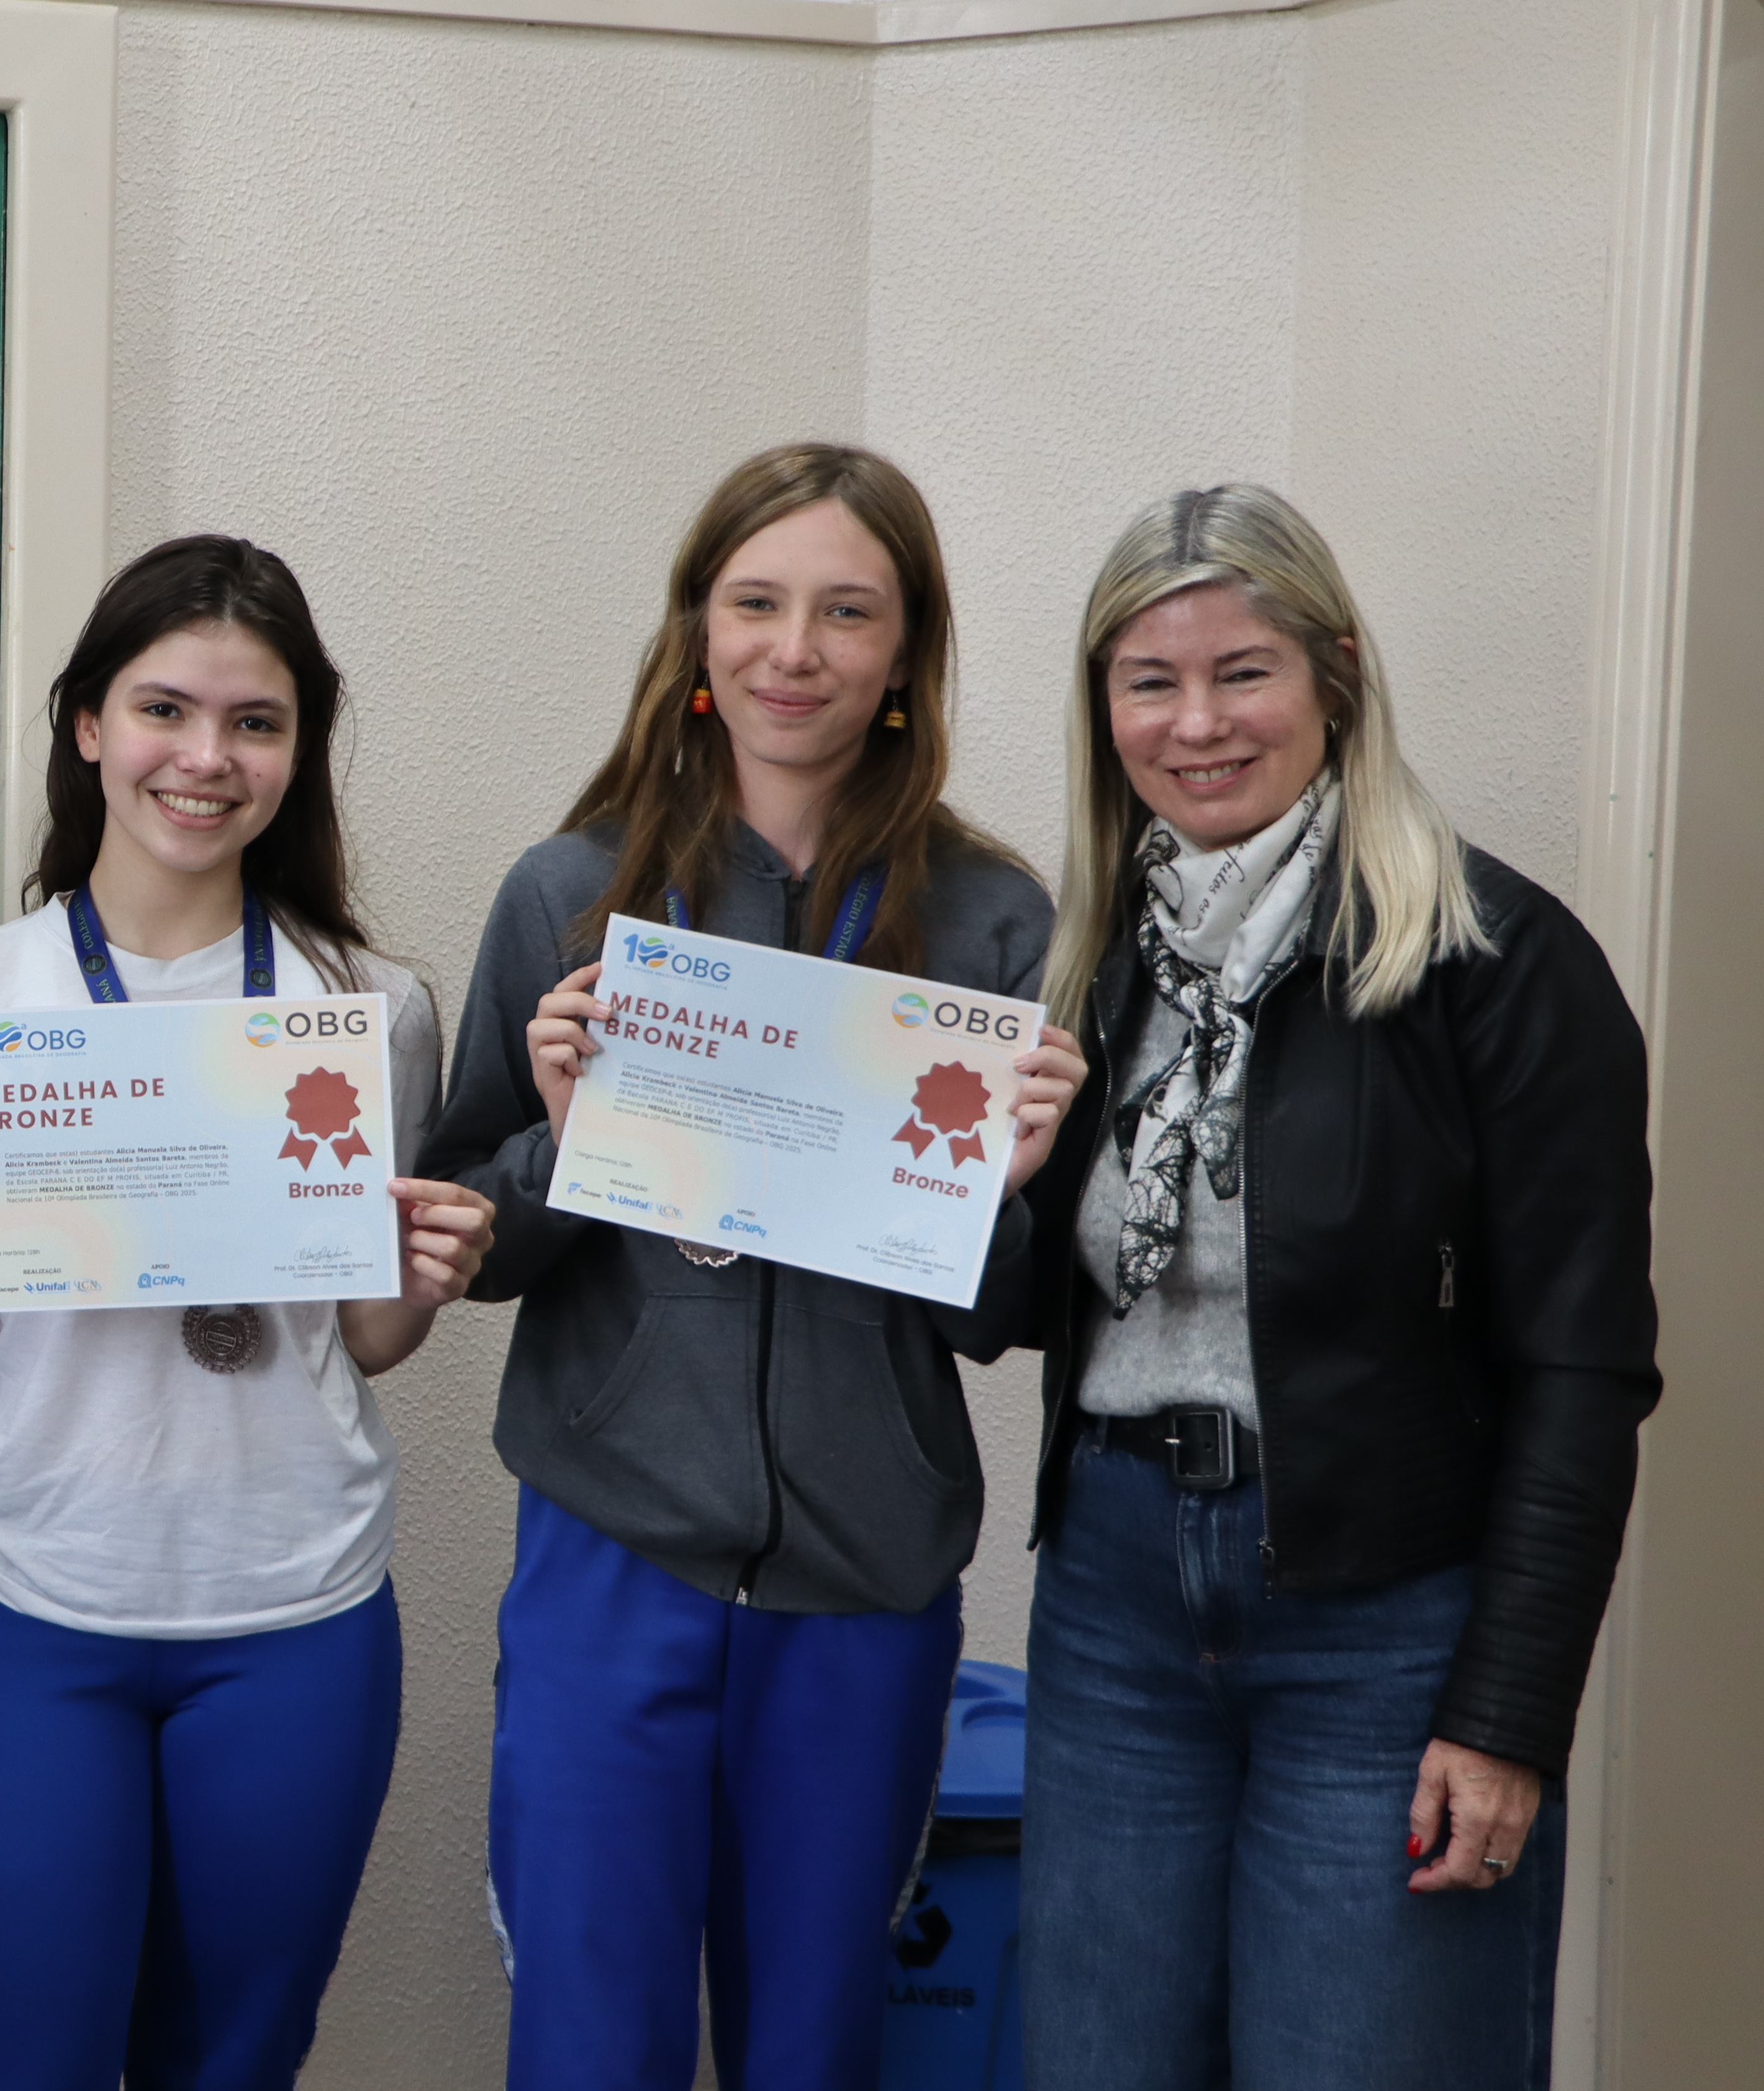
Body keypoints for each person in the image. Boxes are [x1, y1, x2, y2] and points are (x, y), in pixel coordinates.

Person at [417, 442, 1085, 2090]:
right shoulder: (575, 896)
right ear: (697, 636)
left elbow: (1010, 1317)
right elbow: (465, 1239)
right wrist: (570, 1130)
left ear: (906, 654)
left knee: (813, 2050)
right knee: (592, 2041)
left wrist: (1014, 1188)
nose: (797, 649)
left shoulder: (997, 923)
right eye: (758, 603)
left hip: (865, 1589)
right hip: (612, 1561)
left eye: (846, 612)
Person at [1009, 487, 1655, 2091]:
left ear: (1340, 678)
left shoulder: (1496, 962)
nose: (1197, 723)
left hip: (1390, 1620)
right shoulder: (1087, 960)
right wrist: (990, 1191)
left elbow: (1583, 1370)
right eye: (1150, 682)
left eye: (1246, 673)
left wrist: (1509, 1712)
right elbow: (1018, 1309)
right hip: (1115, 1601)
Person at [0, 535, 497, 2089]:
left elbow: (363, 1336)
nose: (207, 759)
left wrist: (421, 1283)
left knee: (233, 2063)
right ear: (85, 724)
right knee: (20, 2062)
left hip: (294, 1613)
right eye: (164, 709)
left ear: (299, 748)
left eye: (256, 722)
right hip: (38, 1602)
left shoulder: (365, 1006)